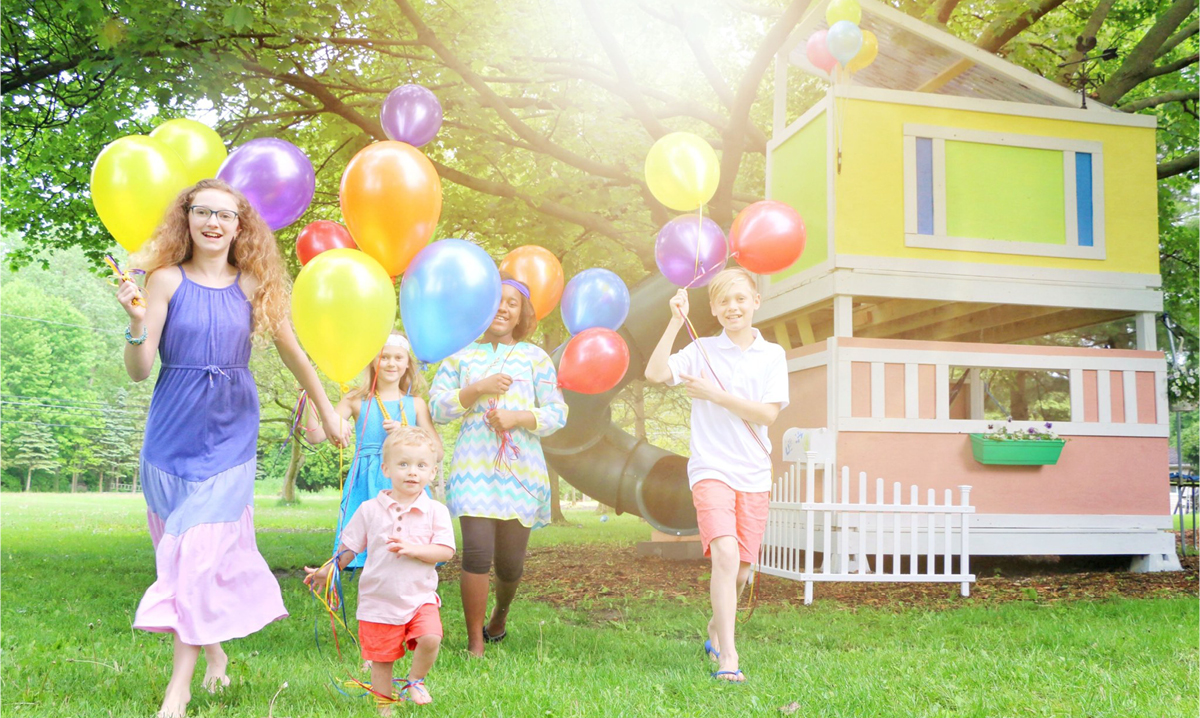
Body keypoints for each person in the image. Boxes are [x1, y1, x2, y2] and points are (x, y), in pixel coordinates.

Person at [114, 178, 347, 717]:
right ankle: (215, 654)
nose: (213, 223)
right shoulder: (166, 281)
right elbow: (139, 370)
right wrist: (133, 322)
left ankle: (179, 688)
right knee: (178, 559)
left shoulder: (253, 286)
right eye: (202, 212)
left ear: (241, 226)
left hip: (230, 436)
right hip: (171, 436)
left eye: (225, 215)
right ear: (187, 218)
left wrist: (329, 410)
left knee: (194, 553)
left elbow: (296, 355)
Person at [644, 267, 789, 683]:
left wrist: (714, 395)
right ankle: (729, 657)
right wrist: (674, 321)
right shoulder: (700, 349)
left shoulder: (772, 355)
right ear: (713, 308)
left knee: (741, 569)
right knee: (725, 555)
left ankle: (714, 629)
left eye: (741, 298)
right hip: (711, 467)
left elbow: (767, 414)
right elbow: (655, 374)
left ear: (756, 302)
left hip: (755, 472)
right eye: (724, 301)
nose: (733, 307)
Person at [429, 274, 567, 657]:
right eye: (496, 300)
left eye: (512, 302)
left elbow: (558, 413)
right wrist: (477, 388)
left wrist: (518, 417)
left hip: (521, 473)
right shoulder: (460, 355)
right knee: (475, 553)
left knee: (509, 563)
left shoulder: (536, 357)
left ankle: (500, 614)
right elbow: (437, 408)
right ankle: (475, 642)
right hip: (473, 466)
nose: (503, 307)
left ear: (521, 312)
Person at [305, 427, 454, 711]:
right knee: (381, 660)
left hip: (419, 596)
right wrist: (329, 570)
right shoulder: (369, 509)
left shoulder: (437, 511)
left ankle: (414, 680)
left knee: (431, 636)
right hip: (378, 600)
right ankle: (384, 709)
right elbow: (349, 548)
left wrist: (414, 549)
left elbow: (445, 551)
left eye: (421, 465)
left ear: (433, 472)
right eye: (403, 464)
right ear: (386, 468)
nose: (412, 472)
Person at [304, 330, 439, 570]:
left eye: (398, 357)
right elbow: (315, 435)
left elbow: (436, 451)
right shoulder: (356, 399)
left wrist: (406, 432)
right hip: (365, 479)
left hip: (404, 477)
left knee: (405, 535)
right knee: (365, 531)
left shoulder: (415, 404)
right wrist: (309, 394)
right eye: (384, 357)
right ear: (372, 361)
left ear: (407, 363)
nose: (391, 363)